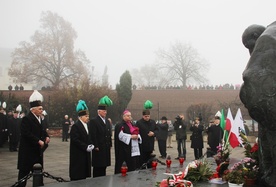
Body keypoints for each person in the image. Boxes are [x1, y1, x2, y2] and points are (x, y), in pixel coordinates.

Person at [17, 90, 50, 187]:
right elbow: (26, 133)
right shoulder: (26, 119)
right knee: (24, 174)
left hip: (37, 152)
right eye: (39, 109)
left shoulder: (40, 119)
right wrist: (38, 141)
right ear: (33, 110)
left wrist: (46, 136)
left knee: (38, 174)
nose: (41, 110)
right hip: (27, 152)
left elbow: (42, 130)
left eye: (42, 109)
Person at [69, 100, 94, 181]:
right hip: (78, 153)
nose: (88, 118)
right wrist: (85, 147)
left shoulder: (86, 125)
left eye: (88, 116)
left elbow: (88, 136)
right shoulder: (76, 126)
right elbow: (75, 140)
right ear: (81, 117)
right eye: (86, 116)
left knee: (84, 174)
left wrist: (91, 144)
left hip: (85, 153)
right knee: (78, 174)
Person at [90, 96, 112, 177]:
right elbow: (93, 134)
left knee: (104, 166)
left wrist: (110, 144)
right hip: (98, 147)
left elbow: (108, 133)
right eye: (103, 111)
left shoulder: (107, 121)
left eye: (106, 111)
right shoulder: (94, 121)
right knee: (98, 167)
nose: (105, 112)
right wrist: (95, 145)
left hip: (105, 146)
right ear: (99, 112)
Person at [135, 103, 157, 168]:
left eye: (148, 116)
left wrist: (153, 133)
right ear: (143, 116)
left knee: (150, 162)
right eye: (145, 116)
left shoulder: (153, 122)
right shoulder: (139, 123)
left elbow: (157, 130)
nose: (147, 117)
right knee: (142, 162)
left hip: (150, 145)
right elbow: (136, 132)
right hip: (142, 146)